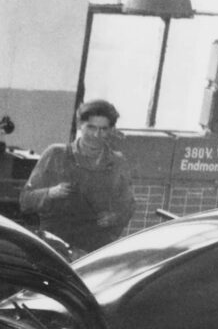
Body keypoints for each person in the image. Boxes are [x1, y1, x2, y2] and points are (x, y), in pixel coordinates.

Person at [18, 98, 137, 251]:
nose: (96, 135)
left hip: (95, 247)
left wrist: (114, 217)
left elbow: (128, 205)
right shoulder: (56, 155)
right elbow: (25, 200)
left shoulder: (117, 162)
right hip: (56, 245)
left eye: (103, 129)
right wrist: (51, 193)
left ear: (111, 130)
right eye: (91, 127)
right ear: (80, 125)